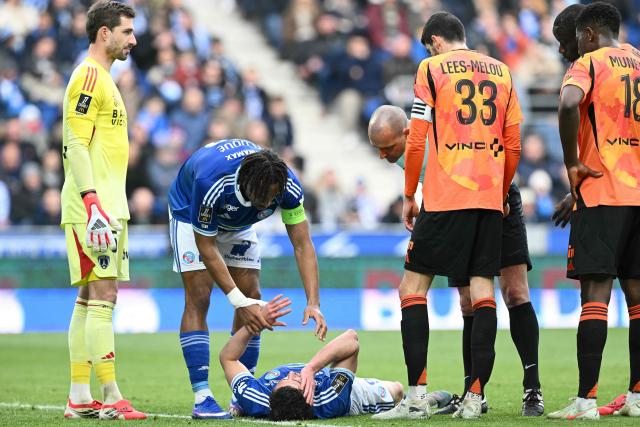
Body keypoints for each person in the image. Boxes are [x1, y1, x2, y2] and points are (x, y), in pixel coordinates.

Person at [371, 12, 522, 420]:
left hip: (446, 194)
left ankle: (416, 397)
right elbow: (513, 142)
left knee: (411, 288)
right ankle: (475, 397)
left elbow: (416, 134)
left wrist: (408, 194)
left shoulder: (431, 68)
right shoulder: (502, 71)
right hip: (489, 196)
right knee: (482, 291)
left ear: (435, 41)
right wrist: (502, 190)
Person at [368, 104, 543, 417]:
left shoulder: (435, 131)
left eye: (388, 147)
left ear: (408, 132)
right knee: (467, 301)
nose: (383, 156)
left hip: (496, 195)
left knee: (515, 292)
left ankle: (532, 388)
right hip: (454, 204)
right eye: (378, 149)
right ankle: (473, 393)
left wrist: (499, 192)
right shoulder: (405, 147)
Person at [167, 141, 328, 419]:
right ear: (245, 182)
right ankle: (202, 397)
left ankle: (242, 392)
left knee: (252, 293)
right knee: (199, 295)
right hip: (189, 214)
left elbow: (302, 244)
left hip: (239, 224)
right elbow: (206, 246)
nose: (266, 204)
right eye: (261, 196)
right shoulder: (212, 181)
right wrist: (237, 301)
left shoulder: (286, 185)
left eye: (272, 198)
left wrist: (313, 302)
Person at [548, 2, 640, 419]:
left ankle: (586, 399)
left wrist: (572, 167)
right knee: (638, 298)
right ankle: (637, 395)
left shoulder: (590, 63)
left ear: (587, 34)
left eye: (567, 42)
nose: (565, 51)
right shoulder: (638, 61)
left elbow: (568, 105)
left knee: (595, 296)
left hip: (604, 197)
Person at [60, 1, 144, 420]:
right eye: (127, 31)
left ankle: (79, 396)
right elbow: (75, 143)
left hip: (103, 204)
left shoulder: (103, 78)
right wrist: (93, 204)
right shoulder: (90, 76)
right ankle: (110, 396)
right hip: (94, 207)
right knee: (104, 294)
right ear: (104, 34)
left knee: (88, 296)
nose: (134, 39)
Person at [220, 317, 452, 420]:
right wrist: (312, 368)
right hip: (354, 396)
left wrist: (252, 326)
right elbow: (351, 339)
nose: (290, 374)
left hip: (315, 378)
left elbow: (227, 358)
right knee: (398, 390)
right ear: (310, 398)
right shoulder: (331, 398)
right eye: (297, 381)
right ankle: (429, 399)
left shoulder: (257, 397)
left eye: (285, 380)